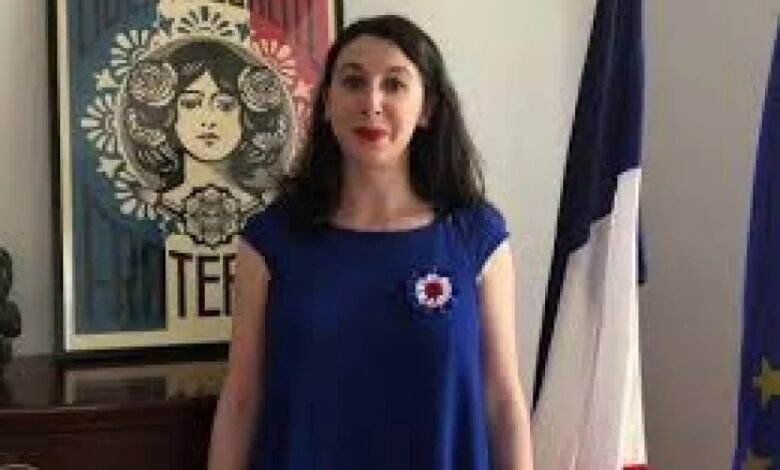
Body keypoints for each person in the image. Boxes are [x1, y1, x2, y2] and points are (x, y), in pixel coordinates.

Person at [208, 14, 533, 470]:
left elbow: (502, 399)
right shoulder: (270, 240)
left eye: (394, 85)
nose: (371, 103)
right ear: (326, 103)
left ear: (427, 109)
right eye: (353, 82)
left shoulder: (476, 238)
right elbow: (242, 399)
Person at [122, 39, 292, 210]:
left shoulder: (270, 205)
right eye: (190, 104)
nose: (209, 121)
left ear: (246, 117)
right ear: (170, 115)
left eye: (225, 106)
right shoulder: (152, 200)